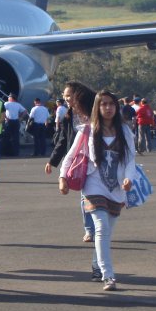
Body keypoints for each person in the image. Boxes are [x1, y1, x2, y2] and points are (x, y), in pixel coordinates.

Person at [59, 89, 136, 291]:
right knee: (100, 228)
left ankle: (97, 266)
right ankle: (108, 275)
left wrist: (129, 177)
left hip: (117, 187)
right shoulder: (87, 130)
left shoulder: (125, 131)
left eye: (111, 104)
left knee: (107, 231)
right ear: (97, 107)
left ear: (116, 107)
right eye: (103, 104)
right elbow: (71, 155)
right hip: (93, 184)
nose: (108, 108)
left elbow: (130, 160)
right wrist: (62, 178)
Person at [47, 81, 99, 271]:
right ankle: (90, 229)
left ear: (78, 95)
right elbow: (63, 138)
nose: (66, 98)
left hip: (96, 161)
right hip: (77, 159)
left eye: (69, 95)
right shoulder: (69, 115)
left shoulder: (95, 110)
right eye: (65, 95)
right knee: (84, 196)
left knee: (95, 198)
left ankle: (97, 229)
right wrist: (54, 161)